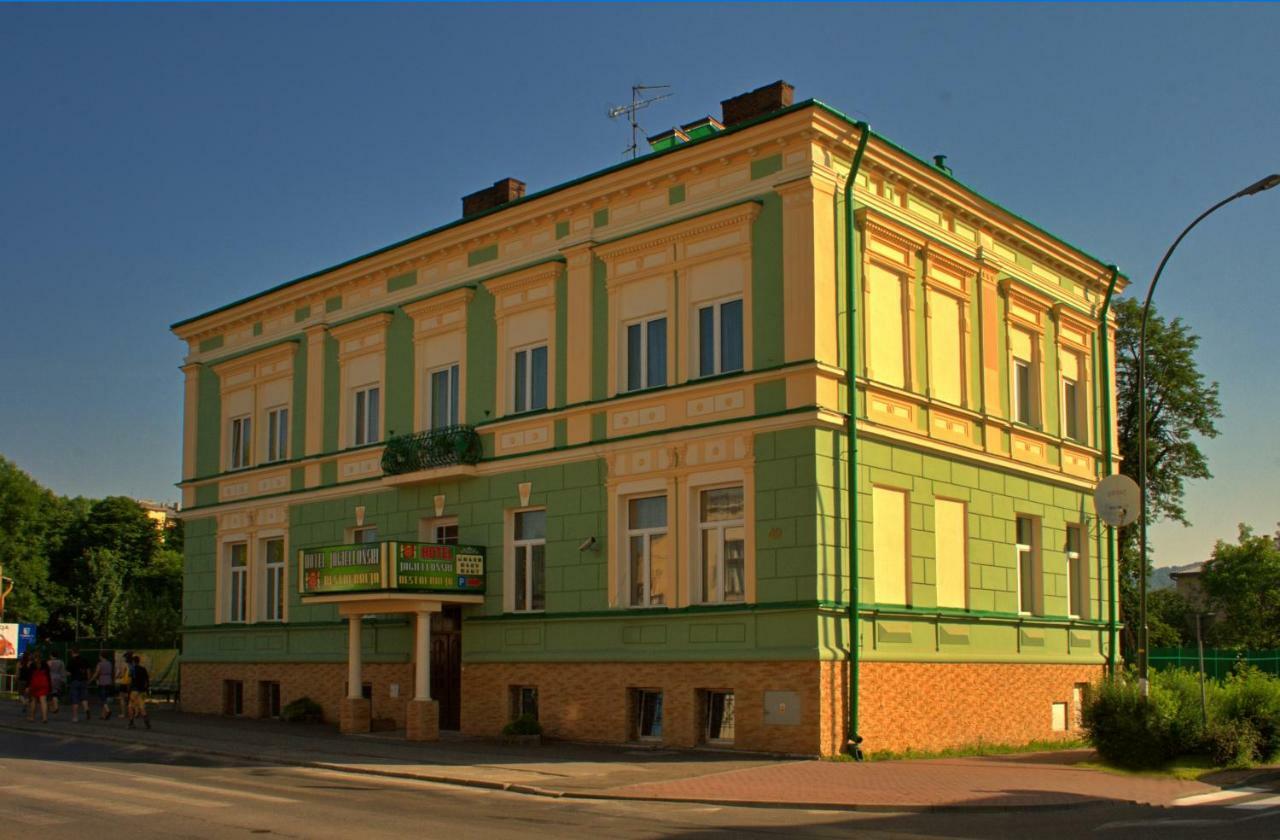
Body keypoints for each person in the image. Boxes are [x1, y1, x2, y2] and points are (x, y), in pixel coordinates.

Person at [66, 647, 91, 723]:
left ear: (72, 652)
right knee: (84, 697)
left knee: (75, 700)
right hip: (84, 681)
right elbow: (88, 670)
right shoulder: (84, 660)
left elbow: (69, 673)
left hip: (75, 681)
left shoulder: (71, 661)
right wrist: (88, 679)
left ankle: (75, 717)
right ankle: (86, 709)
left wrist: (65, 674)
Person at [127, 655, 150, 730]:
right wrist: (146, 689)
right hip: (142, 691)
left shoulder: (132, 669)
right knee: (141, 706)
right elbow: (146, 680)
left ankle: (131, 722)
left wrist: (128, 690)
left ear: (133, 661)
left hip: (134, 690)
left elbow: (130, 680)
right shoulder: (143, 669)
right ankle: (146, 720)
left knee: (130, 706)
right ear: (139, 661)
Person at [26, 651, 50, 723]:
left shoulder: (32, 665)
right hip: (43, 683)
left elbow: (29, 677)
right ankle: (44, 718)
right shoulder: (45, 664)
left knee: (34, 701)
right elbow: (48, 676)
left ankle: (32, 717)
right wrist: (50, 686)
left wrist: (27, 686)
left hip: (34, 684)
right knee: (43, 701)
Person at [91, 652, 114, 720]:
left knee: (102, 698)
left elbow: (97, 672)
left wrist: (92, 679)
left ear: (102, 656)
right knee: (105, 698)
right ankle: (103, 715)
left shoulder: (100, 664)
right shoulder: (109, 663)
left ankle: (108, 711)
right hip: (108, 681)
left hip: (102, 681)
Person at [115, 651, 133, 719]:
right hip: (131, 683)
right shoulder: (132, 664)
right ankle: (131, 713)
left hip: (124, 683)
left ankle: (123, 713)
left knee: (122, 698)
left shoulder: (124, 664)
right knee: (130, 699)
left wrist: (117, 676)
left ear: (125, 657)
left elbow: (122, 674)